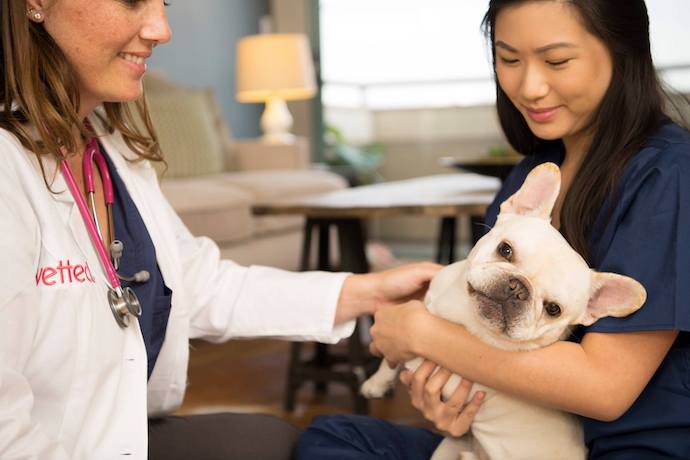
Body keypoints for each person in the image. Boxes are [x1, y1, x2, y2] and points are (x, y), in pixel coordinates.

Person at [0, 1, 442, 459]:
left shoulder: (109, 150)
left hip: (122, 439)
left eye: (163, 3)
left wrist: (369, 292)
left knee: (295, 442)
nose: (161, 29)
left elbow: (200, 283)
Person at [296, 0, 690, 459]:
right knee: (332, 437)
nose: (530, 86)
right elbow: (481, 333)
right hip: (514, 432)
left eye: (556, 60)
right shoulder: (533, 173)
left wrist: (418, 334)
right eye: (508, 59)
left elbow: (605, 388)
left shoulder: (669, 176)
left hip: (628, 448)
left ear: (624, 52)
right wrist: (451, 401)